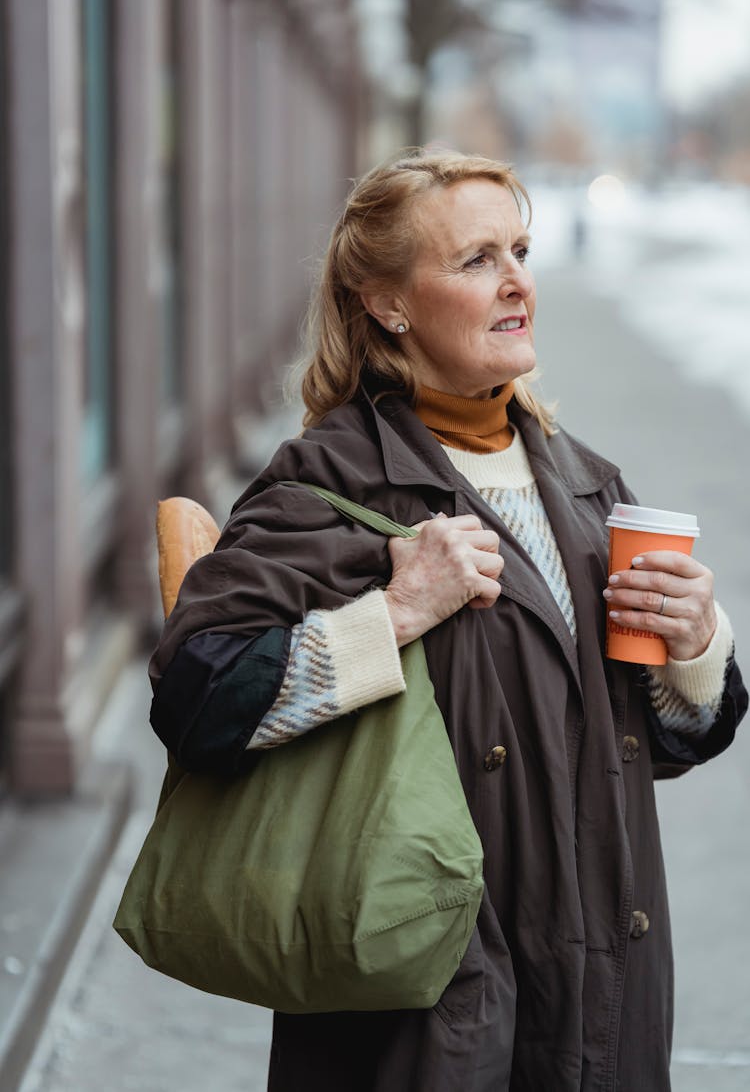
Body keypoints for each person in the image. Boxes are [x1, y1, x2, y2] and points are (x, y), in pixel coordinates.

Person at [149, 149, 746, 1092]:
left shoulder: (589, 486)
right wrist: (392, 613)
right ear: (389, 301)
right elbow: (195, 698)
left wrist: (698, 649)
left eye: (521, 249)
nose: (518, 283)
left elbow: (655, 743)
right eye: (476, 261)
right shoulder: (329, 484)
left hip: (603, 1009)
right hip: (425, 1019)